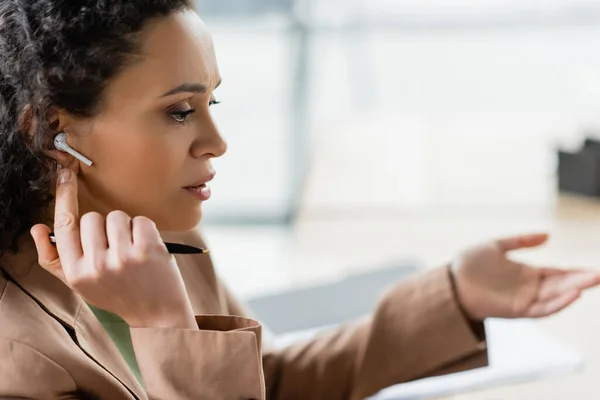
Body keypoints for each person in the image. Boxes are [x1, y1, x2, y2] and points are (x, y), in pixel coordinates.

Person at [0, 1, 598, 399]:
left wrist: (453, 298)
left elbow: (267, 384)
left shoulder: (158, 239)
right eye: (180, 111)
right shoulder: (16, 359)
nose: (217, 142)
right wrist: (163, 325)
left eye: (214, 103)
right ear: (52, 129)